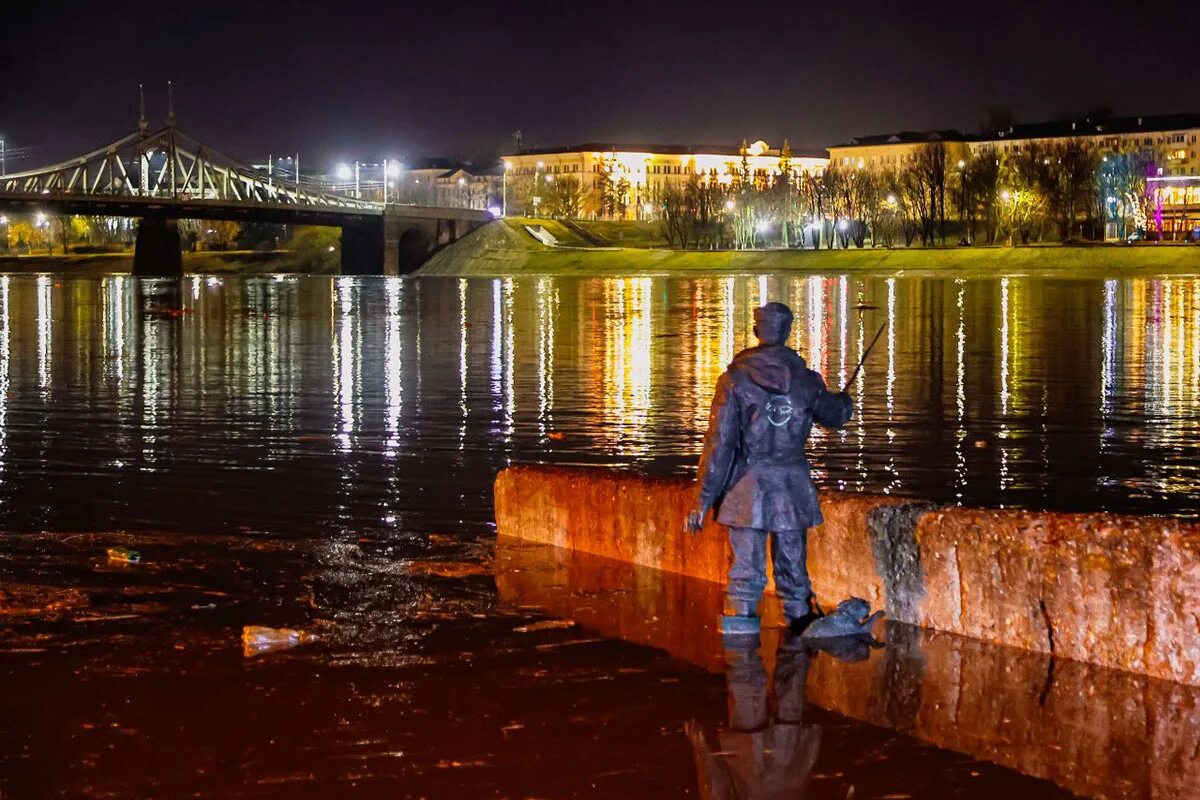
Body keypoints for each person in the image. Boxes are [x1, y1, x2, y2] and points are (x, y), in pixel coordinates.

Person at [687, 302, 852, 635]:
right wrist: (844, 402)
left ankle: (740, 655)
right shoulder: (807, 382)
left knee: (745, 576)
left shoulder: (734, 381)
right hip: (792, 488)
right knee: (793, 572)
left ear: (757, 331)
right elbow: (835, 416)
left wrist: (703, 498)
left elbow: (719, 445)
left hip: (746, 488)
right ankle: (798, 628)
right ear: (786, 332)